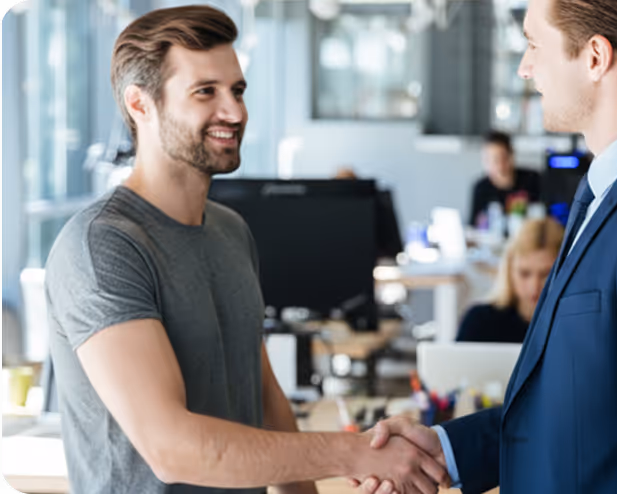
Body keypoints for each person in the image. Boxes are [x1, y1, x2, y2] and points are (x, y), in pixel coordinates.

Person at [44, 6, 448, 494]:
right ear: (140, 105)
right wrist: (356, 451)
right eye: (205, 92)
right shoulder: (102, 246)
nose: (234, 112)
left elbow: (266, 403)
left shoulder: (230, 230)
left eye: (236, 90)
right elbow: (173, 449)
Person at [356, 0, 617, 492]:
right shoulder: (612, 187)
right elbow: (583, 415)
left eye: (535, 43)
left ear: (595, 58)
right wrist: (447, 449)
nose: (525, 66)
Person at [456, 218, 564, 343]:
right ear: (509, 270)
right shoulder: (479, 321)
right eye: (524, 274)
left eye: (546, 275)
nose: (534, 287)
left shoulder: (580, 327)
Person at [468, 130, 541, 227]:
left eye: (498, 158)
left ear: (510, 156)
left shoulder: (532, 179)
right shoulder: (481, 188)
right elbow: (473, 226)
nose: (493, 164)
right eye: (487, 159)